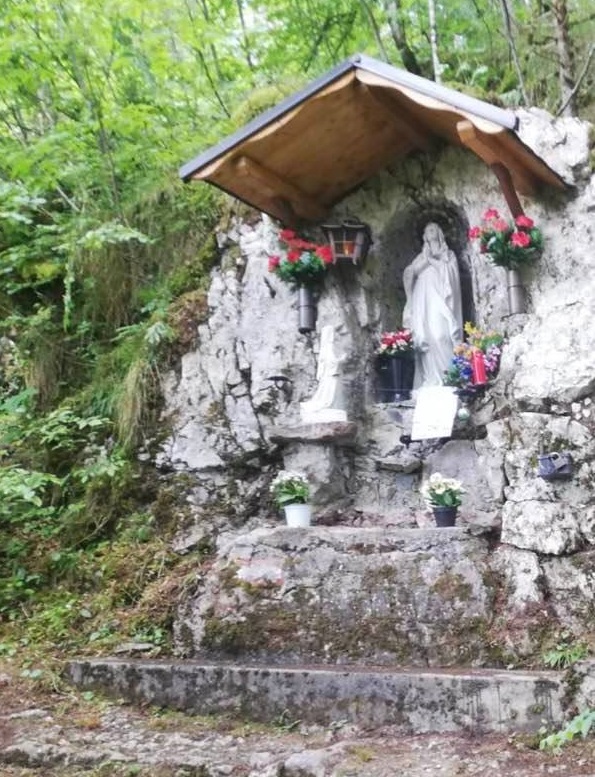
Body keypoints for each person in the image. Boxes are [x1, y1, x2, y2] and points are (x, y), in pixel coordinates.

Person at [402, 223, 463, 389]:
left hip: (440, 297)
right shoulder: (419, 257)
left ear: (440, 233)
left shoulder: (448, 254)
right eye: (427, 229)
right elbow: (410, 274)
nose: (430, 231)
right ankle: (431, 380)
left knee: (441, 334)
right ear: (424, 236)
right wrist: (426, 259)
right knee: (425, 338)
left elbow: (451, 274)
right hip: (423, 298)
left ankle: (449, 377)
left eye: (434, 228)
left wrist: (432, 260)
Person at [300, 325, 347, 423]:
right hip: (330, 375)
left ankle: (332, 408)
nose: (336, 337)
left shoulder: (328, 347)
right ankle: (329, 407)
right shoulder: (328, 347)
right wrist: (342, 359)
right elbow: (331, 361)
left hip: (331, 374)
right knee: (329, 393)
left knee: (332, 393)